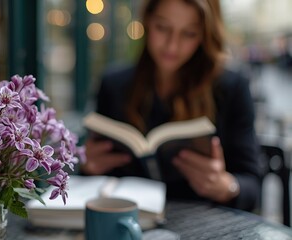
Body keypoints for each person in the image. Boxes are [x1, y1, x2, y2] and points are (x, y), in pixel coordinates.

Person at [80, 0, 262, 212]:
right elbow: (94, 180)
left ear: (204, 34)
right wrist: (88, 167)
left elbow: (252, 186)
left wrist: (226, 186)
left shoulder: (231, 88)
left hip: (203, 223)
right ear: (147, 21)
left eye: (189, 33)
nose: (172, 45)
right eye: (163, 28)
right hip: (129, 219)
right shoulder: (114, 85)